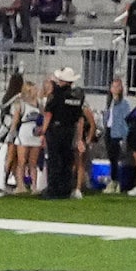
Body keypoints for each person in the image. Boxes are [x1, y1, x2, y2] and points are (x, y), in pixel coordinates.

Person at [40, 68, 89, 199]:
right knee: (67, 161)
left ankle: (53, 190)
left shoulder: (56, 96)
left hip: (56, 130)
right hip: (70, 131)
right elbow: (79, 119)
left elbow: (49, 114)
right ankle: (65, 189)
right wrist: (79, 139)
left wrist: (42, 131)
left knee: (54, 160)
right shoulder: (76, 98)